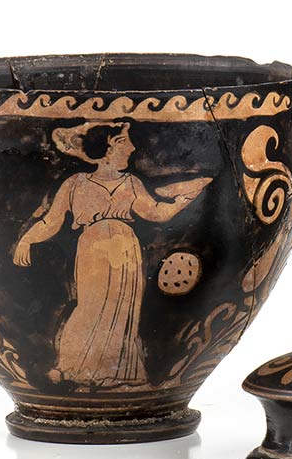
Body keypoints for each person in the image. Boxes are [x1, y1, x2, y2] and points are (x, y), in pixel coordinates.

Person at [12, 121, 211, 388]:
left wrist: (184, 198)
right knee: (89, 306)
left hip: (126, 249)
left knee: (124, 309)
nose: (131, 148)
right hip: (93, 249)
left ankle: (118, 373)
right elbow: (51, 221)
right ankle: (68, 366)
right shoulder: (76, 184)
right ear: (109, 148)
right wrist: (27, 239)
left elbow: (156, 213)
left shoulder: (131, 183)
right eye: (124, 142)